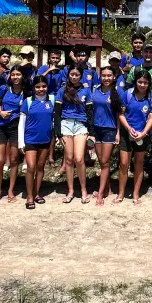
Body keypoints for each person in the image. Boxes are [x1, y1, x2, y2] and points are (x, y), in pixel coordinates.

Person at [117, 71, 152, 205]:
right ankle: (121, 193)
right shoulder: (127, 94)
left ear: (149, 84)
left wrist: (144, 133)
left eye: (145, 82)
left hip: (142, 135)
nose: (142, 85)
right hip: (126, 133)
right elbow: (121, 114)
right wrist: (129, 129)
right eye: (140, 82)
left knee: (138, 163)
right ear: (135, 82)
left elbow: (151, 118)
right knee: (124, 163)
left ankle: (135, 193)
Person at [55, 66, 93, 203]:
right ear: (68, 74)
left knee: (79, 159)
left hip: (81, 125)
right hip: (66, 124)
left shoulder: (86, 91)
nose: (74, 77)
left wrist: (91, 132)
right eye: (72, 74)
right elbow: (57, 111)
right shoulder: (62, 90)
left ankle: (83, 190)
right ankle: (70, 190)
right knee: (69, 159)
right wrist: (58, 131)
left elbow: (90, 112)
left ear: (81, 75)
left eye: (77, 74)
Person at [20, 76, 55, 209]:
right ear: (33, 88)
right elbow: (21, 123)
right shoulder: (28, 101)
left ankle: (36, 193)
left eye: (43, 86)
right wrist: (21, 142)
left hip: (45, 139)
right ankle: (29, 196)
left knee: (40, 167)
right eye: (38, 87)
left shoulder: (51, 100)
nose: (41, 89)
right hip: (30, 139)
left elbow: (53, 120)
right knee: (31, 166)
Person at [0, 65, 25, 204]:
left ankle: (11, 190)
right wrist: (1, 112)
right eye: (13, 74)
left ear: (23, 76)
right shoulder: (4, 88)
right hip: (1, 126)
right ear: (10, 76)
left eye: (18, 74)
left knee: (14, 159)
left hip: (15, 128)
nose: (15, 77)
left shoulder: (26, 92)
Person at [91, 66, 122, 206]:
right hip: (96, 129)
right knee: (102, 162)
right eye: (104, 75)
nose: (106, 78)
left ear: (114, 77)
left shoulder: (117, 92)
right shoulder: (95, 90)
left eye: (109, 75)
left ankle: (100, 193)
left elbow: (119, 114)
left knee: (105, 161)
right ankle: (106, 189)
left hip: (110, 129)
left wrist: (118, 132)